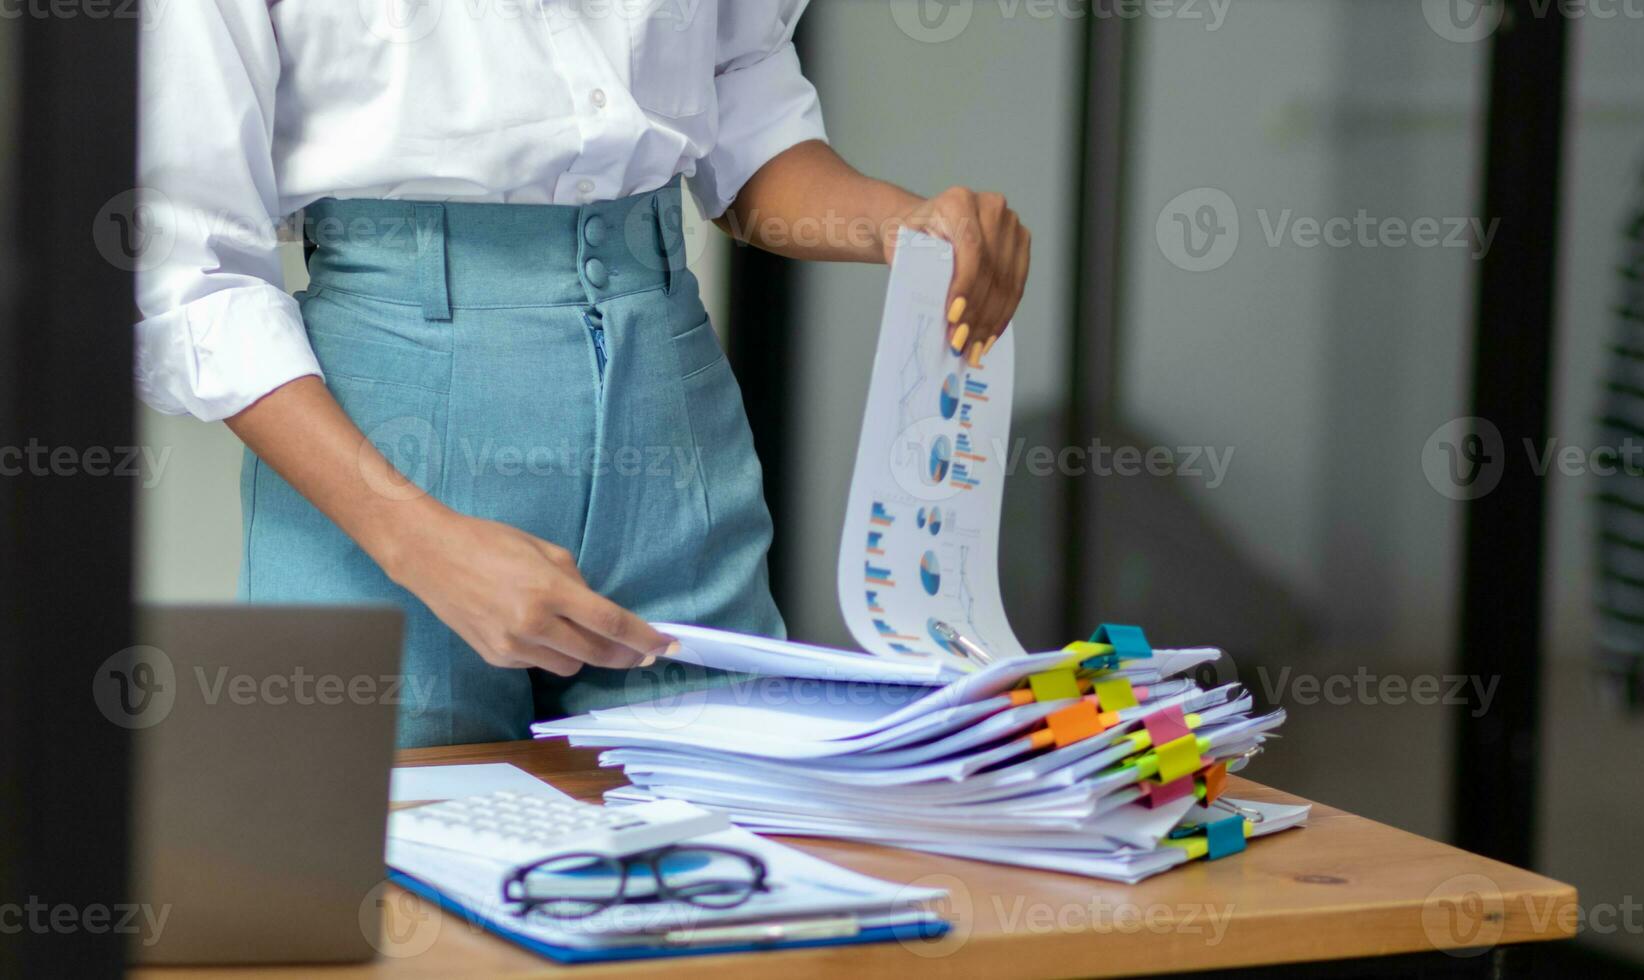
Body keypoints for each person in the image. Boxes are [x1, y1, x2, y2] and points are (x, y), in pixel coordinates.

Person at [136, 2, 1030, 747]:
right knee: (374, 904)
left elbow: (749, 133)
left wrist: (900, 228)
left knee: (722, 886)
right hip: (384, 452)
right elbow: (191, 275)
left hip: (673, 434)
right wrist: (415, 539)